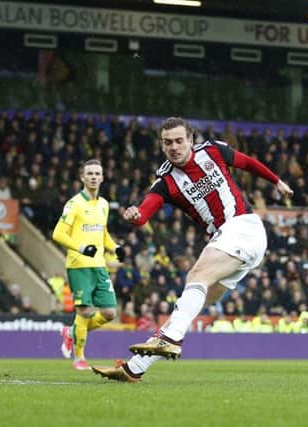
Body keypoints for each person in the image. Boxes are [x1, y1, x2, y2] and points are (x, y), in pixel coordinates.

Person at [92, 117, 292, 382]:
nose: (174, 147)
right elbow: (144, 214)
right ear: (162, 146)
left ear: (190, 140)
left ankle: (170, 339)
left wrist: (276, 180)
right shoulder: (165, 182)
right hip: (228, 241)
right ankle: (134, 368)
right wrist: (134, 215)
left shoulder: (213, 151)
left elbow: (247, 163)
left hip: (244, 227)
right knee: (184, 311)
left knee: (195, 277)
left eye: (178, 141)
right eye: (167, 143)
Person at [52, 159, 125, 370]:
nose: (93, 176)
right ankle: (79, 358)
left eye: (97, 173)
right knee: (84, 311)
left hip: (100, 266)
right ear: (82, 177)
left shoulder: (103, 205)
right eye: (89, 173)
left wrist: (115, 247)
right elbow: (58, 234)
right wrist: (81, 248)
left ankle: (71, 332)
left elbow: (102, 233)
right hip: (79, 266)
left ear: (102, 177)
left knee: (110, 313)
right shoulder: (74, 204)